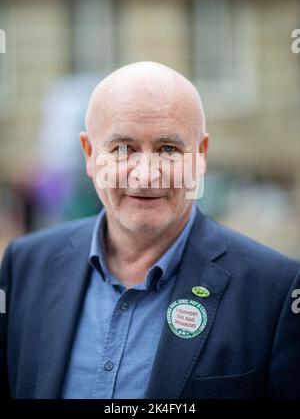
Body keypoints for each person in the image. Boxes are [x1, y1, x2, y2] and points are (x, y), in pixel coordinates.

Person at [0, 62, 299, 399]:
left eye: (168, 149)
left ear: (200, 156)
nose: (145, 175)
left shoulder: (275, 291)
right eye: (123, 149)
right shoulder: (23, 265)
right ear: (89, 154)